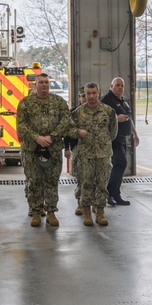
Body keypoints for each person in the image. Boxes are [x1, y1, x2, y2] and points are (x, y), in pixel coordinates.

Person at [17, 73, 83, 228]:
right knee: (34, 181)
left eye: (46, 82)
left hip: (52, 149)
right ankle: (35, 212)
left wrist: (52, 137)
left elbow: (65, 122)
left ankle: (51, 212)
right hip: (31, 150)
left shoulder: (58, 102)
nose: (44, 85)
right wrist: (37, 137)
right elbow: (21, 125)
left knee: (52, 181)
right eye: (41, 83)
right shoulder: (25, 103)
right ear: (35, 85)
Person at [73, 82, 118, 226]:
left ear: (99, 93)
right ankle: (86, 213)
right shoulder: (78, 113)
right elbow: (69, 130)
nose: (91, 96)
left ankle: (100, 213)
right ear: (84, 95)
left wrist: (102, 143)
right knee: (86, 183)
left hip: (103, 154)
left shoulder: (108, 111)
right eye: (88, 93)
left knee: (102, 184)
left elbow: (113, 132)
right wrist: (78, 133)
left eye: (94, 93)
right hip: (85, 155)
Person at [101, 77, 139, 206]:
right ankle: (109, 193)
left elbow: (129, 118)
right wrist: (116, 119)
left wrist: (135, 134)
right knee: (121, 163)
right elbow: (101, 119)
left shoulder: (124, 100)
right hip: (112, 138)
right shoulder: (106, 100)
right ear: (111, 86)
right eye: (117, 85)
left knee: (120, 165)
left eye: (122, 86)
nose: (120, 88)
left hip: (123, 137)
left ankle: (115, 195)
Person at [64, 87, 86, 216]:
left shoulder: (102, 111)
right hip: (77, 148)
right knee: (81, 177)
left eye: (87, 95)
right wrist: (66, 148)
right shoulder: (73, 112)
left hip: (96, 150)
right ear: (79, 98)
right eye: (82, 96)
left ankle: (95, 204)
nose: (85, 98)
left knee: (96, 178)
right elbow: (67, 131)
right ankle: (80, 204)